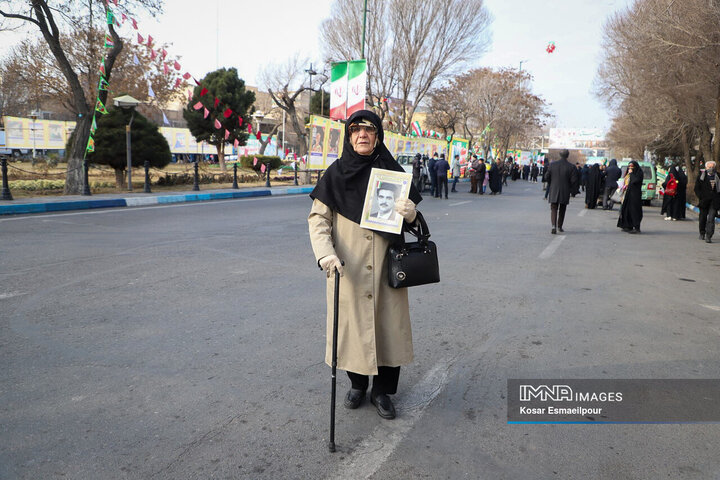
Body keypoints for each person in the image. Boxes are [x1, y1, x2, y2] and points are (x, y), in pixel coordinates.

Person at [308, 110, 423, 420]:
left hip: (387, 270)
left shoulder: (393, 173)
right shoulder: (335, 173)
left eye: (369, 130)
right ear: (349, 136)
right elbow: (318, 220)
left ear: (378, 136)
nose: (362, 135)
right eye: (356, 130)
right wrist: (325, 254)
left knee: (389, 331)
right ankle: (357, 384)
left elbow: (415, 226)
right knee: (351, 330)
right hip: (349, 269)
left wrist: (411, 214)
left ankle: (383, 391)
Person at [546, 149, 578, 234]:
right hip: (565, 190)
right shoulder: (571, 167)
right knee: (562, 209)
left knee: (553, 208)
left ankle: (553, 226)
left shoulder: (552, 165)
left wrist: (551, 183)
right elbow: (574, 180)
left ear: (560, 155)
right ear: (567, 155)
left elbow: (546, 176)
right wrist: (570, 188)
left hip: (554, 189)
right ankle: (559, 226)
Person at [694, 160, 720, 243]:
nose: (711, 168)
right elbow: (696, 189)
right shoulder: (701, 177)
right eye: (709, 167)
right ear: (706, 167)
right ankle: (702, 232)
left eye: (712, 167)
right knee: (703, 218)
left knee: (711, 219)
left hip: (714, 202)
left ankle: (709, 236)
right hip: (704, 201)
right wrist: (701, 197)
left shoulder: (718, 176)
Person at [617, 160, 644, 234]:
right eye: (629, 167)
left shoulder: (639, 173)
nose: (630, 168)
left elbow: (635, 181)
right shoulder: (628, 174)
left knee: (634, 211)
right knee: (627, 210)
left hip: (635, 195)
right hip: (628, 194)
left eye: (632, 167)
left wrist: (631, 173)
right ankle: (628, 226)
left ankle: (636, 227)